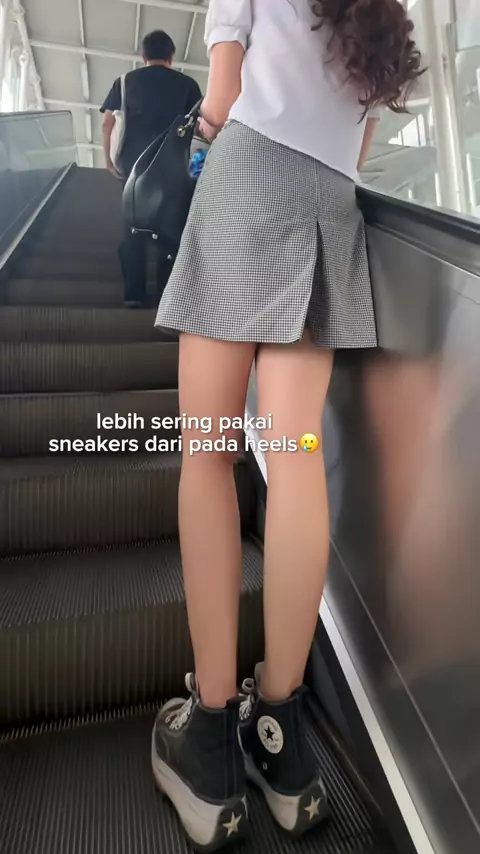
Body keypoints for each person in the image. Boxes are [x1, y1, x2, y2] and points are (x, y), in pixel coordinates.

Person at [151, 1, 423, 850]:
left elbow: (223, 96)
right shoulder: (385, 16)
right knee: (295, 454)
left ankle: (208, 734)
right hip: (331, 202)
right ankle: (281, 731)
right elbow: (359, 148)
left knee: (207, 454)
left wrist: (198, 136)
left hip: (248, 180)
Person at [100, 30, 202, 307]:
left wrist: (108, 161)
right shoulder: (188, 85)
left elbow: (107, 123)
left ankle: (134, 294)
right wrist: (196, 171)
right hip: (173, 167)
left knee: (132, 225)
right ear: (172, 56)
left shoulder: (124, 81)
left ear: (143, 55)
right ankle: (165, 297)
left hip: (133, 166)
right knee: (171, 227)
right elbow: (199, 130)